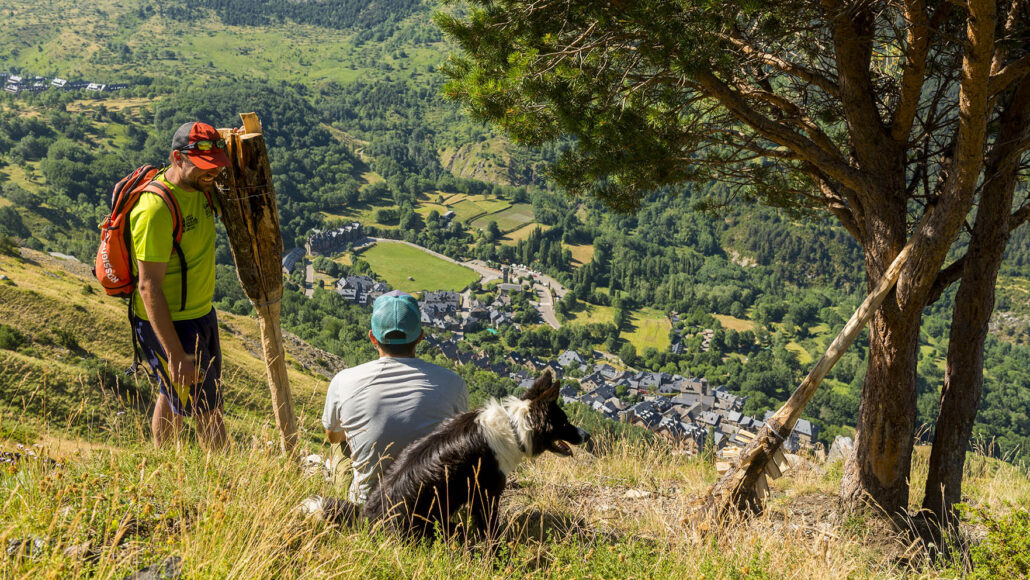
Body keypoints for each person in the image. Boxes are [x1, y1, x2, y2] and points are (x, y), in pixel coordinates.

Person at [131, 121, 230, 449]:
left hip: (201, 313)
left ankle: (161, 459)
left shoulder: (200, 189)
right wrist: (174, 352)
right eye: (204, 167)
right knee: (208, 408)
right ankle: (223, 477)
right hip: (172, 322)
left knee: (169, 390)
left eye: (216, 166)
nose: (212, 174)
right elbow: (148, 287)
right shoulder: (156, 208)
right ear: (177, 158)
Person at [322, 291, 468, 503]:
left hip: (370, 512)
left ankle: (351, 495)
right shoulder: (454, 384)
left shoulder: (344, 381)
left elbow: (333, 436)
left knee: (339, 441)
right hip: (430, 509)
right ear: (420, 336)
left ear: (373, 337)